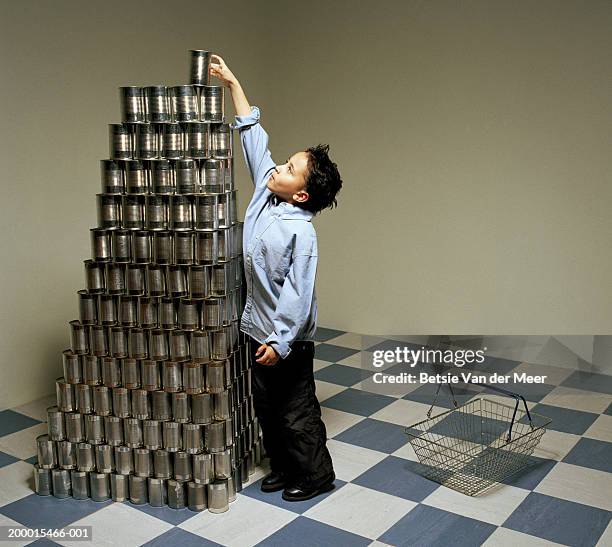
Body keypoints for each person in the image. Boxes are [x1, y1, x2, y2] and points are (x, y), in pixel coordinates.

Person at [209, 54, 343, 502]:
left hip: (287, 339)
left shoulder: (301, 233)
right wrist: (232, 83)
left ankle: (316, 474)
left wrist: (281, 340)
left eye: (288, 169)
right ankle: (284, 468)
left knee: (295, 410)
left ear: (301, 193)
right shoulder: (269, 196)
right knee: (266, 407)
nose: (278, 168)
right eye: (284, 162)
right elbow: (254, 140)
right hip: (256, 329)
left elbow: (297, 296)